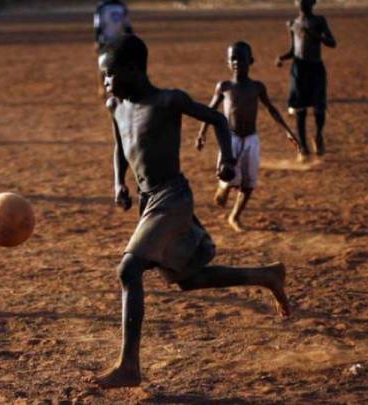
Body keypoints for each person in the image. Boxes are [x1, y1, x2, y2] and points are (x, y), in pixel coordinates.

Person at [91, 34, 290, 389]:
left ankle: (129, 366)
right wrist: (118, 183)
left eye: (110, 74)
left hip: (173, 198)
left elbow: (216, 118)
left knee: (128, 269)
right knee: (187, 280)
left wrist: (227, 159)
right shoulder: (115, 106)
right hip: (148, 200)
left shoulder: (168, 100)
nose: (105, 82)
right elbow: (120, 144)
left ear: (134, 70)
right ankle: (267, 276)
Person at [197, 41, 299, 232]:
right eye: (232, 58)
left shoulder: (257, 87)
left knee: (249, 183)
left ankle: (234, 217)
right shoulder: (224, 87)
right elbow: (210, 111)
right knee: (228, 174)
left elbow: (271, 109)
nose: (236, 62)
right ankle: (224, 187)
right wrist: (201, 133)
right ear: (228, 62)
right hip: (230, 138)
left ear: (250, 61)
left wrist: (287, 131)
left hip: (251, 139)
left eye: (241, 58)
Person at [276, 0, 336, 162]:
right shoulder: (294, 24)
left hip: (315, 67)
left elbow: (332, 43)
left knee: (319, 107)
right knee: (299, 109)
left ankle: (318, 135)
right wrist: (282, 57)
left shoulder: (319, 21)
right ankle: (302, 148)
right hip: (299, 69)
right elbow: (293, 50)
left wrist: (317, 36)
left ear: (313, 2)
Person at [93, 0, 133, 96]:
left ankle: (120, 87)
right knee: (103, 64)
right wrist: (97, 40)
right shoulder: (101, 7)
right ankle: (102, 87)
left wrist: (131, 39)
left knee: (122, 64)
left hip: (119, 39)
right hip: (105, 40)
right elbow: (97, 26)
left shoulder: (122, 6)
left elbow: (127, 25)